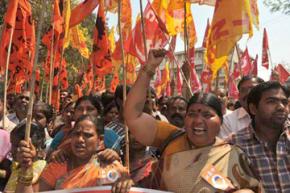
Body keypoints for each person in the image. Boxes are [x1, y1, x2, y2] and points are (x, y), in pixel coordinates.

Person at [124, 49, 262, 193]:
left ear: (221, 121)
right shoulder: (171, 137)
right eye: (192, 114)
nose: (198, 121)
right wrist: (149, 69)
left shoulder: (233, 154)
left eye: (207, 115)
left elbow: (250, 188)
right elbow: (133, 116)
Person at [15, 115, 133, 193]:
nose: (80, 139)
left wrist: (127, 183)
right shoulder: (59, 165)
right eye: (76, 134)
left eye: (87, 135)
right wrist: (26, 168)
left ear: (100, 141)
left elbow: (126, 186)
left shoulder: (110, 167)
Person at [229, 81, 290, 192]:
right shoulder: (236, 145)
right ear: (253, 109)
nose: (281, 107)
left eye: (285, 102)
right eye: (271, 101)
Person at [4, 121, 47, 193]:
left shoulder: (40, 167)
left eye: (18, 146)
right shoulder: (17, 164)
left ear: (34, 147)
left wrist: (26, 168)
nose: (12, 150)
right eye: (12, 144)